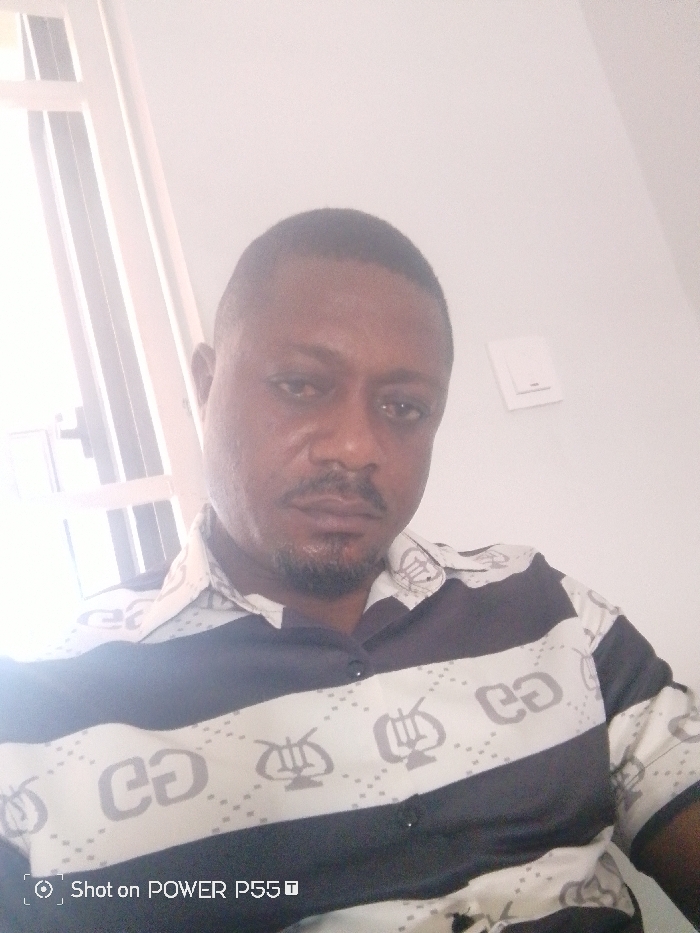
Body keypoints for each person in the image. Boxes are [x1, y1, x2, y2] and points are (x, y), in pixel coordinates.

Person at [0, 208, 698, 933]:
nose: (357, 446)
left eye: (405, 406)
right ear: (206, 384)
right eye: (301, 385)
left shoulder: (547, 611)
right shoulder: (39, 717)